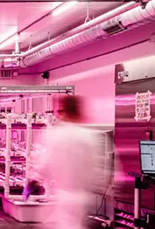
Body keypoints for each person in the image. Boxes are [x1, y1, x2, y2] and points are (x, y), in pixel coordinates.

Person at [27, 95, 99, 229]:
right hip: (83, 195)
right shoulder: (90, 136)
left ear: (64, 111)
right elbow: (98, 168)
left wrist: (33, 181)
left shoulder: (56, 134)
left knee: (64, 223)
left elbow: (45, 162)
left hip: (64, 193)